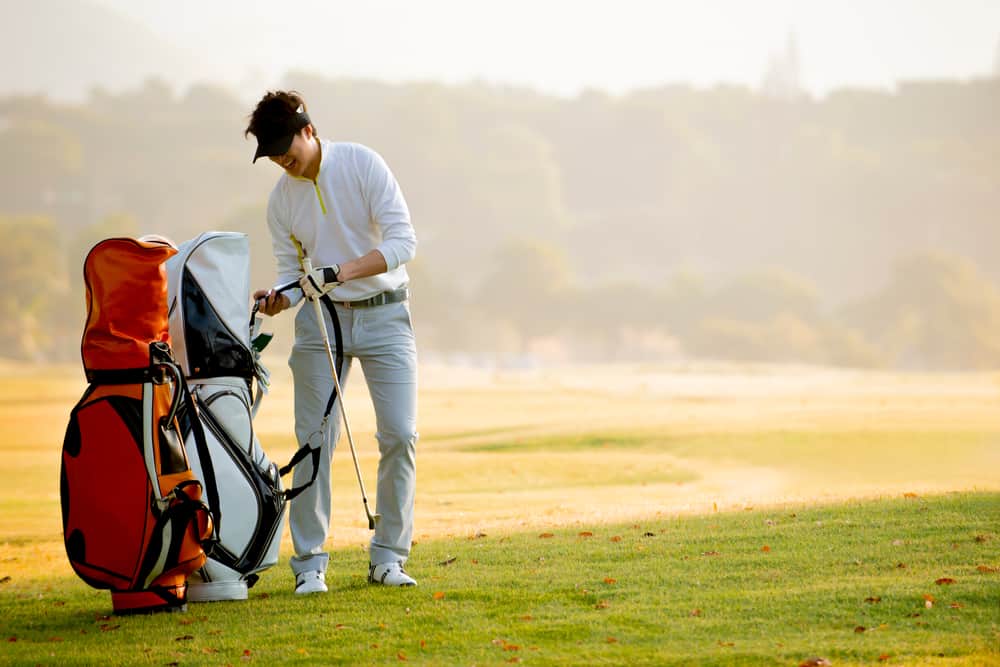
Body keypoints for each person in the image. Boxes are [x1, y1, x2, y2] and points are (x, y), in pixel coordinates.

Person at [245, 90, 418, 592]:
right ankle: (310, 564)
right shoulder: (281, 200)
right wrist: (279, 296)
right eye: (273, 156)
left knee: (400, 435)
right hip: (322, 324)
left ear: (309, 131)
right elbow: (290, 275)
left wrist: (339, 272)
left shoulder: (362, 164)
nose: (283, 162)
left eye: (286, 150)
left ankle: (388, 556)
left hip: (386, 317)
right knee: (315, 442)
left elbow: (403, 243)